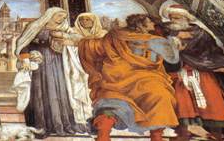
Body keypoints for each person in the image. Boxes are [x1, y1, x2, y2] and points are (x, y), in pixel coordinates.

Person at [75, 12, 180, 141]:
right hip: (148, 79)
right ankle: (156, 137)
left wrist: (83, 42)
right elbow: (173, 59)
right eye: (151, 22)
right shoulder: (155, 41)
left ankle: (103, 136)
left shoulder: (115, 36)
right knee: (160, 99)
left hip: (116, 78)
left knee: (110, 104)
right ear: (142, 24)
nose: (153, 24)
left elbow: (95, 47)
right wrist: (172, 42)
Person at [161, 6, 224, 141]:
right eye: (171, 17)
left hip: (204, 68)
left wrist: (214, 65)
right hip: (179, 69)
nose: (173, 20)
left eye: (176, 17)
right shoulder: (166, 33)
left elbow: (212, 51)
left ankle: (216, 134)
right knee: (179, 98)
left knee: (212, 96)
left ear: (186, 19)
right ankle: (182, 133)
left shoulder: (200, 33)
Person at [14, 7, 91, 136]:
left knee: (62, 90)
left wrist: (67, 38)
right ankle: (42, 125)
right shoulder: (36, 26)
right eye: (59, 16)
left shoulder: (64, 28)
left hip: (60, 62)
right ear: (50, 15)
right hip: (41, 63)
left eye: (64, 16)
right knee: (41, 91)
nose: (62, 19)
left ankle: (64, 124)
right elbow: (23, 43)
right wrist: (27, 57)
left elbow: (78, 39)